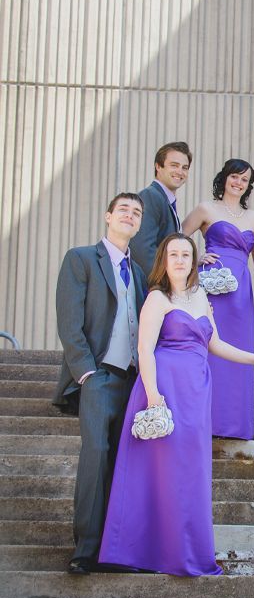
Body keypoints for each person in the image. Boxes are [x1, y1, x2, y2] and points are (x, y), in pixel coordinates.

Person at [98, 234, 254, 576]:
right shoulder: (157, 298)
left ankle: (184, 550)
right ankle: (142, 553)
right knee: (158, 470)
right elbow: (144, 350)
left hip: (196, 391)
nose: (180, 260)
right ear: (163, 260)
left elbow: (216, 343)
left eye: (185, 254)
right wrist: (152, 394)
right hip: (164, 388)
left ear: (194, 260)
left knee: (188, 471)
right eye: (173, 254)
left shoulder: (201, 296)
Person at [53, 193, 148, 575]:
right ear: (108, 215)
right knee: (95, 457)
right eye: (123, 209)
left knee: (124, 465)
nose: (130, 215)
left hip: (131, 380)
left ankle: (116, 550)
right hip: (98, 376)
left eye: (136, 212)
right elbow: (69, 320)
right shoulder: (80, 259)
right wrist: (86, 372)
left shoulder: (139, 273)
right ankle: (85, 551)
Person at [182, 159, 254, 439]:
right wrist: (196, 259)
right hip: (211, 288)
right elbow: (175, 241)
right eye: (235, 177)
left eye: (244, 180)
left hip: (241, 294)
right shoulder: (205, 208)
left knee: (237, 351)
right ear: (225, 178)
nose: (238, 183)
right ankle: (205, 422)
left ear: (248, 186)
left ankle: (234, 424)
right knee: (210, 350)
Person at [132, 142, 192, 277]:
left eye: (185, 167)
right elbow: (142, 250)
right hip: (154, 287)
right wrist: (165, 283)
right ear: (158, 166)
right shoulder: (151, 196)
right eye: (174, 165)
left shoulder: (166, 200)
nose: (180, 172)